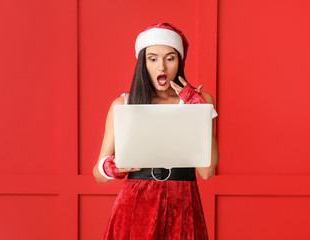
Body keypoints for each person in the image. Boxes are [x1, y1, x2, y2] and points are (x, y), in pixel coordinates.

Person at [93, 22, 219, 240]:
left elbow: (206, 172)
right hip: (135, 206)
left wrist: (196, 108)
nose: (161, 67)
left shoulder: (200, 101)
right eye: (152, 59)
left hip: (183, 202)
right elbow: (98, 174)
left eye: (170, 58)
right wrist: (115, 167)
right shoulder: (123, 104)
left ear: (179, 61)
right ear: (143, 63)